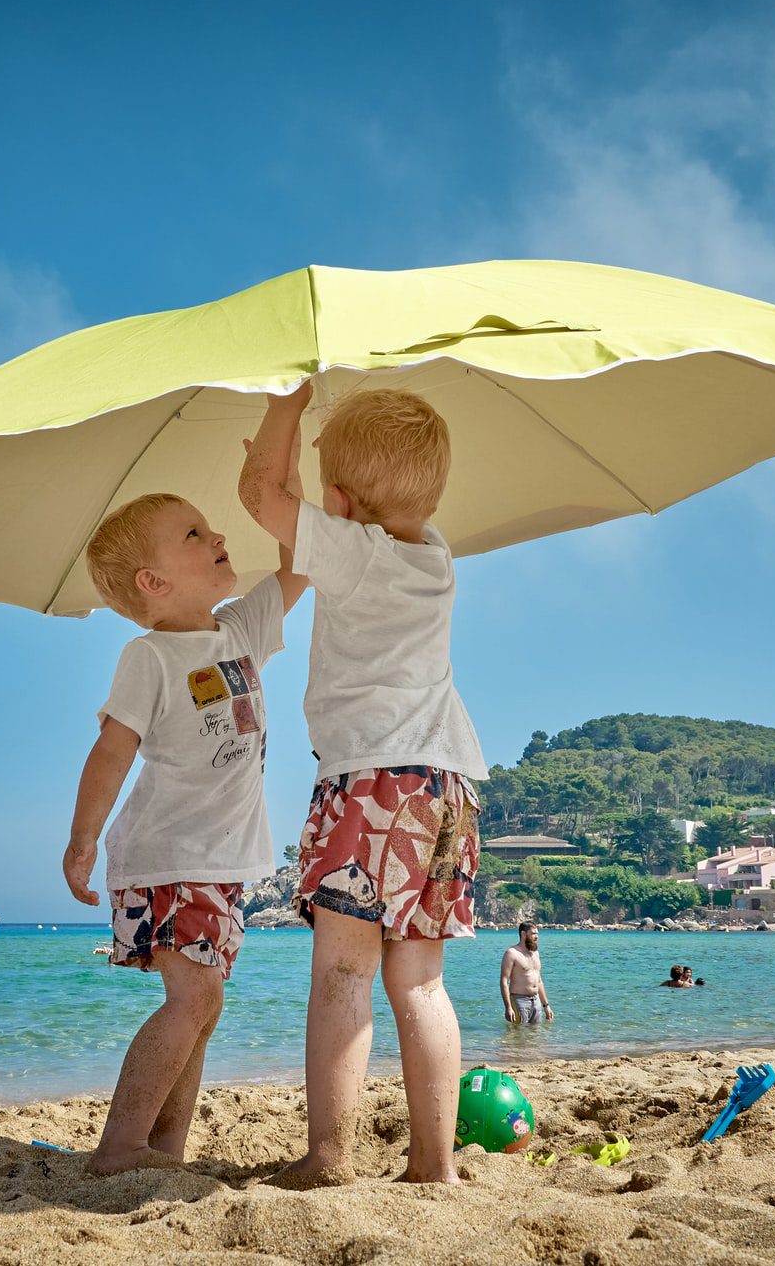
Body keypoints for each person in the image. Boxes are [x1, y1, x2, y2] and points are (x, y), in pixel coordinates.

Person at [239, 382, 486, 1188]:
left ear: (341, 504)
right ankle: (435, 1165)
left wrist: (285, 406)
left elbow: (259, 496)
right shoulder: (435, 555)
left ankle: (329, 1155)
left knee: (343, 972)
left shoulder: (353, 549)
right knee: (421, 981)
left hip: (372, 783)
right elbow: (298, 511)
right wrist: (327, 495)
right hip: (447, 784)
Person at [62, 473, 308, 1178]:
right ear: (154, 582)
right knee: (193, 995)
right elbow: (111, 750)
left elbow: (299, 564)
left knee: (206, 1005)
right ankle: (119, 1146)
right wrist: (83, 838)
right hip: (168, 855)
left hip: (223, 864)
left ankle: (161, 1152)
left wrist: (285, 474)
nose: (218, 536)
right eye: (194, 534)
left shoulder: (241, 629)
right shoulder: (150, 657)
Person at [500, 922, 554, 1023]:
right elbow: (504, 981)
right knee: (518, 1034)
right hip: (519, 1000)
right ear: (523, 934)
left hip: (536, 1001)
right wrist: (508, 1007)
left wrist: (546, 1005)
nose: (536, 937)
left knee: (535, 1035)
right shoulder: (512, 953)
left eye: (537, 934)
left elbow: (539, 981)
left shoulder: (535, 953)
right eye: (533, 934)